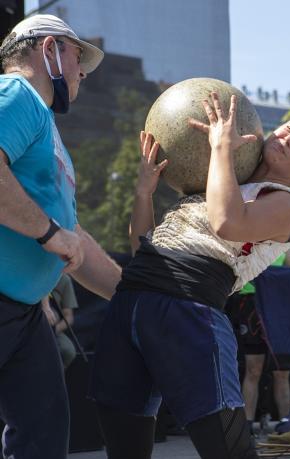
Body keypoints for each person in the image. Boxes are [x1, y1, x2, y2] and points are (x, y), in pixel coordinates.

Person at [89, 91, 290, 459]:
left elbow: (227, 222)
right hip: (131, 302)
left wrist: (221, 148)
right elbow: (141, 246)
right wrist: (144, 192)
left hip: (189, 310)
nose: (289, 139)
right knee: (124, 444)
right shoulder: (212, 183)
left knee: (228, 449)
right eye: (289, 129)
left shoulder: (288, 203)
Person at [0, 14, 122, 459]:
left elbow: (73, 239)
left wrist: (131, 295)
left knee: (43, 436)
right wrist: (49, 233)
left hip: (24, 312)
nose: (83, 71)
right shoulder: (17, 94)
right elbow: (58, 234)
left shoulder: (43, 124)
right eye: (77, 55)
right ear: (48, 48)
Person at [228, 250, 290, 425]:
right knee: (253, 369)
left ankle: (285, 422)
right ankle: (248, 424)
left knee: (281, 371)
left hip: (278, 309)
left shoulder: (282, 248)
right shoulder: (246, 245)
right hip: (251, 306)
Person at [41, 273, 80, 369]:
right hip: (30, 325)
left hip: (53, 330)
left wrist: (54, 330)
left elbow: (68, 316)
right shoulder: (30, 275)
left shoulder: (64, 280)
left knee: (67, 350)